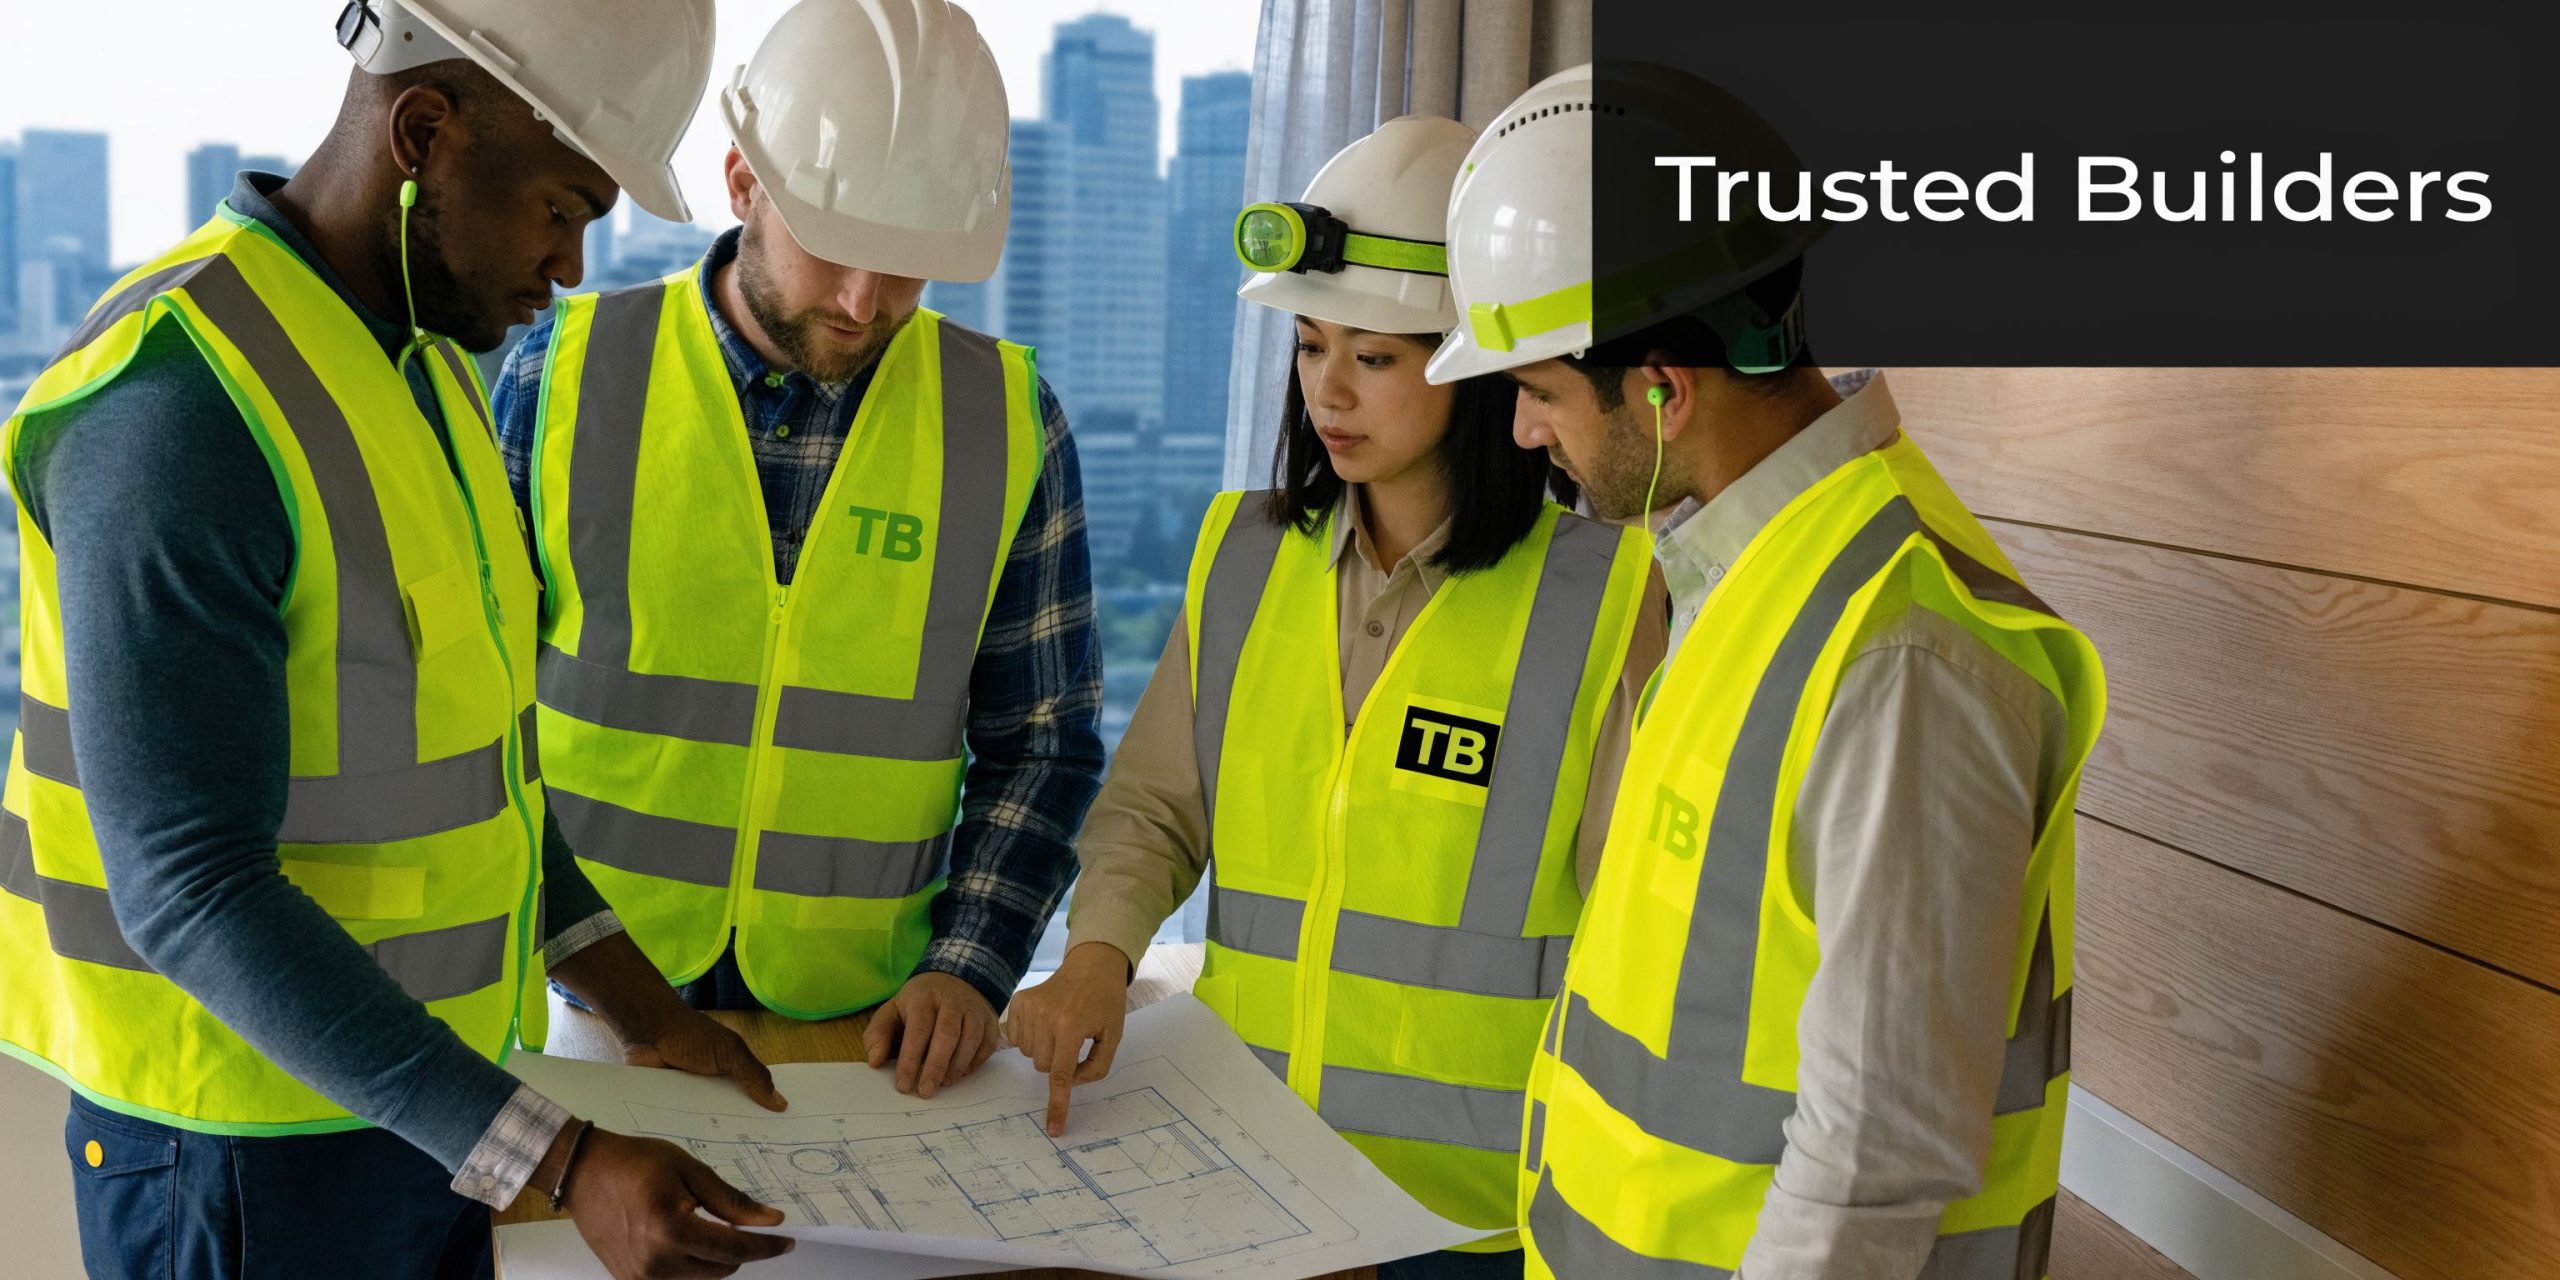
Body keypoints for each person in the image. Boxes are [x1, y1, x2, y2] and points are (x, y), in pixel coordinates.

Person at [0, 3, 805, 1278]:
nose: (574, 264)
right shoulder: (181, 402)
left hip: (424, 1113)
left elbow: (475, 767)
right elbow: (189, 886)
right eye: (560, 207)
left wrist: (638, 1005)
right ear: (424, 132)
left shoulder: (424, 371)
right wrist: (562, 1158)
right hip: (235, 1154)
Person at [1433, 65, 2109, 1280]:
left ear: (1662, 387)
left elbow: (1877, 1154)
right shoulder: (1735, 578)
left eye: (1536, 392)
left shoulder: (1901, 653)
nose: (1525, 433)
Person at [1007, 116, 1668, 1280]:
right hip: (1243, 1172)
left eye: (1376, 355)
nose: (1328, 388)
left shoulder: (1608, 594)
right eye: (1311, 346)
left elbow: (1642, 934)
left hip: (1471, 1219)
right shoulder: (1243, 552)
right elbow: (1158, 805)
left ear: (1474, 367)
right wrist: (1098, 950)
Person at [490, 0, 1103, 1102]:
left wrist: (972, 965)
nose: (867, 303)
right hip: (584, 1008)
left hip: (871, 1038)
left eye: (909, 266)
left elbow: (1043, 746)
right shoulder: (563, 375)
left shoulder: (1009, 424)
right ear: (740, 184)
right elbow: (471, 710)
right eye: (837, 250)